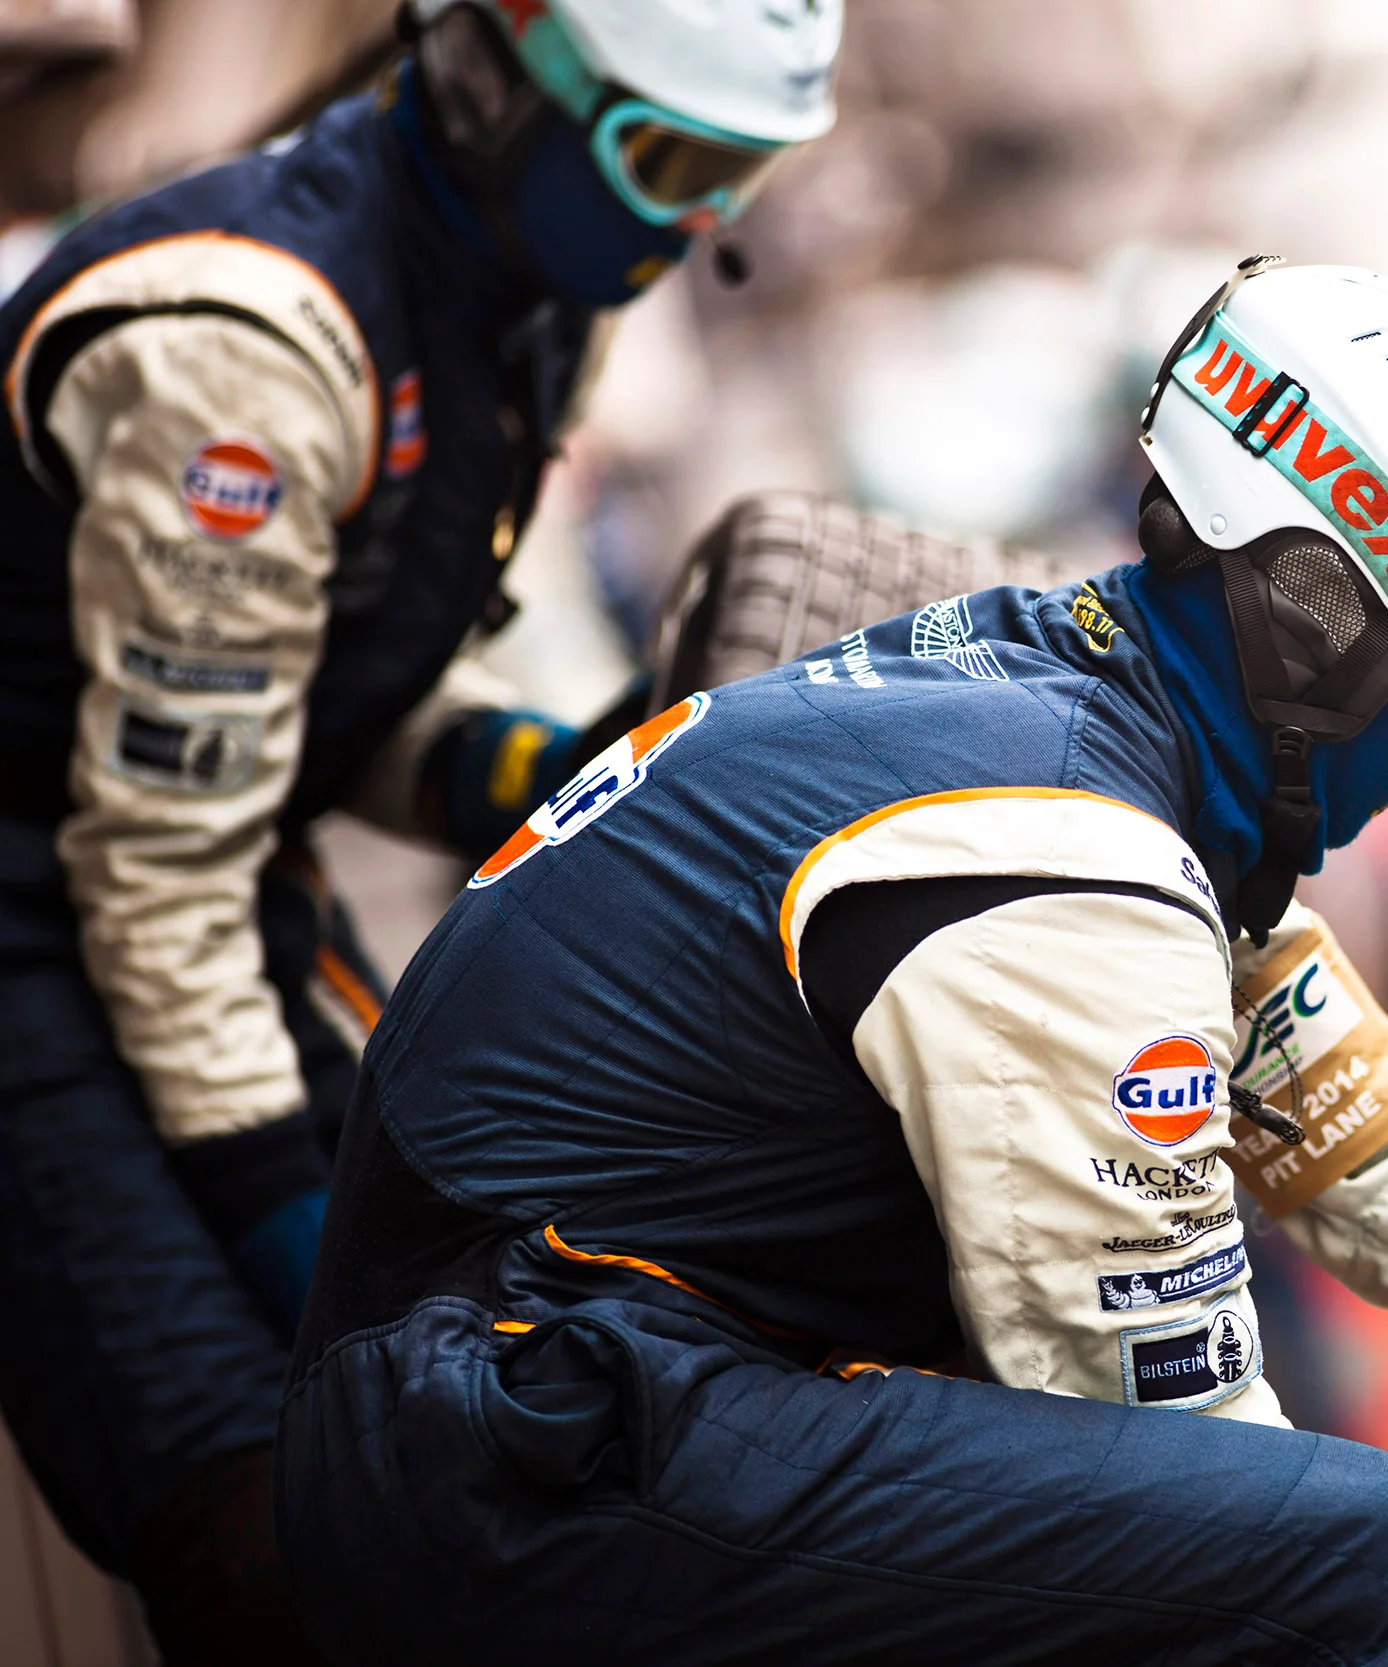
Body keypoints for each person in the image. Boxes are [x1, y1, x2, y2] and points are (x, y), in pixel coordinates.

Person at [276, 258, 1388, 1667]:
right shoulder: (1066, 853)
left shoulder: (1119, 770)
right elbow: (1199, 1480)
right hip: (518, 1451)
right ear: (1316, 615)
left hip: (566, 1408)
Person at [0, 1, 840, 1659]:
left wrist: (544, 765)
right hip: (48, 931)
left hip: (215, 892)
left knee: (461, 1448)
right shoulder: (250, 355)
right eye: (671, 164)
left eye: (738, 178)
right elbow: (156, 867)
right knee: (263, 1520)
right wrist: (325, 1262)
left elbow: (312, 698)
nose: (697, 231)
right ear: (495, 85)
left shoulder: (530, 300)